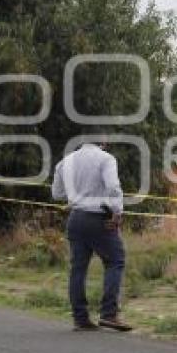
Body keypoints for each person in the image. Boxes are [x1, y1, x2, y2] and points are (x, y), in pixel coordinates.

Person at [52, 139, 131, 332]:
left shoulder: (65, 162)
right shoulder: (106, 159)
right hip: (99, 218)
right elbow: (113, 187)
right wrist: (117, 212)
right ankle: (109, 314)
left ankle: (80, 318)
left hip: (75, 218)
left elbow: (57, 194)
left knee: (78, 268)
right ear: (102, 141)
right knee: (115, 260)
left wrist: (76, 194)